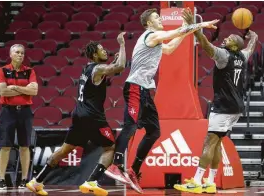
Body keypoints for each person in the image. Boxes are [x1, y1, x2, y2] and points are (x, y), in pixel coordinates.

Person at [105, 8, 219, 193]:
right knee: (131, 126)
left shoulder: (156, 41)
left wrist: (186, 28)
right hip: (134, 87)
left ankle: (133, 170)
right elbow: (173, 34)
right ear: (149, 23)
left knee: (154, 132)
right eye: (156, 17)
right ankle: (115, 165)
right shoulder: (151, 34)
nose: (160, 19)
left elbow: (171, 48)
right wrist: (199, 25)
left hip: (145, 91)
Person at [26, 32, 127, 196]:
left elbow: (106, 72)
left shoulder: (87, 67)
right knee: (109, 147)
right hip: (93, 116)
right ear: (95, 54)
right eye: (101, 50)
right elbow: (121, 67)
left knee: (65, 150)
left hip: (79, 115)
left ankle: (36, 181)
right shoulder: (98, 68)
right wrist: (122, 44)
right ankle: (92, 181)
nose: (105, 51)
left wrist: (114, 61)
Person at [174, 8, 258, 194]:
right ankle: (210, 181)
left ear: (234, 46)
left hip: (223, 106)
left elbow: (205, 45)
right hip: (236, 107)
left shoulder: (224, 56)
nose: (225, 40)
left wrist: (193, 26)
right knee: (217, 142)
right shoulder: (242, 57)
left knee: (208, 142)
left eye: (229, 40)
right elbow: (251, 47)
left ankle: (196, 180)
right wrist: (254, 37)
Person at [0, 44, 38, 190]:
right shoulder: (3, 70)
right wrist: (25, 90)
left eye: (22, 53)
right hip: (8, 112)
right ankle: (2, 180)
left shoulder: (30, 71)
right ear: (11, 54)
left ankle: (24, 179)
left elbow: (34, 91)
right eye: (17, 52)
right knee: (5, 146)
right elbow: (3, 92)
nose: (20, 55)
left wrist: (15, 88)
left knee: (24, 146)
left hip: (25, 112)